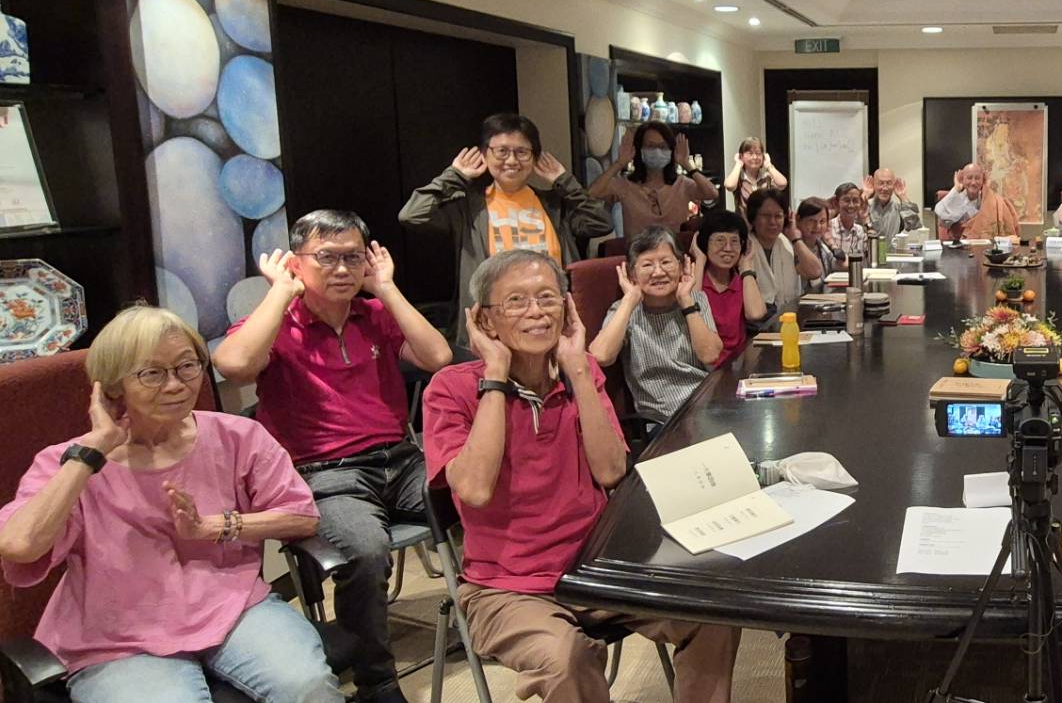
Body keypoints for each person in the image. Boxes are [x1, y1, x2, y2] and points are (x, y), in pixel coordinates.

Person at [424, 249, 739, 703]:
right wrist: (495, 375)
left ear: (567, 307)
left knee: (713, 613)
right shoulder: (451, 388)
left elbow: (611, 471)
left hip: (597, 568)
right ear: (485, 321)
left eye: (547, 297)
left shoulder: (581, 371)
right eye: (516, 301)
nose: (536, 311)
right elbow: (473, 489)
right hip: (507, 588)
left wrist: (576, 367)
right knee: (566, 659)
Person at [0, 306, 341, 703]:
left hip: (232, 607)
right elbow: (19, 546)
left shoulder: (237, 436)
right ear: (112, 387)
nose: (176, 384)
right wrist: (93, 451)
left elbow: (302, 516)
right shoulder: (70, 461)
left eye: (187, 366)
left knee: (308, 687)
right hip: (116, 640)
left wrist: (214, 527)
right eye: (152, 373)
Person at [214, 210, 453, 703]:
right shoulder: (276, 323)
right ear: (295, 263)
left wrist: (386, 288)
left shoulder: (375, 314)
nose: (343, 269)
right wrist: (280, 294)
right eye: (327, 257)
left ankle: (498, 618)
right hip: (324, 475)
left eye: (353, 257)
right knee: (366, 551)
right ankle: (376, 682)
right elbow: (234, 365)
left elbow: (438, 358)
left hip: (400, 460)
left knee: (477, 493)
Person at [400, 112, 613, 342]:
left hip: (549, 325)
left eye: (522, 152)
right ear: (484, 154)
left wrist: (564, 182)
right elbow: (412, 214)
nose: (511, 161)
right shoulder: (468, 208)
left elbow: (601, 222)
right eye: (501, 151)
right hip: (491, 332)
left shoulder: (554, 205)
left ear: (534, 157)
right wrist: (455, 176)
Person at [588, 229, 722, 421]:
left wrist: (686, 301)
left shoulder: (695, 300)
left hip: (707, 407)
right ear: (632, 273)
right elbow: (601, 356)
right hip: (662, 420)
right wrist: (630, 299)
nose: (658, 272)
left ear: (682, 265)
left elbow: (710, 355)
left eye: (666, 262)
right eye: (647, 265)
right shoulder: (624, 310)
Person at [589, 120, 721, 241]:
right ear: (639, 150)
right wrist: (619, 163)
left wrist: (687, 164)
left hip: (672, 253)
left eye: (663, 146)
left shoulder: (682, 184)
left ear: (671, 150)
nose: (657, 151)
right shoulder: (626, 185)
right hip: (638, 254)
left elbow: (712, 193)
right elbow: (592, 193)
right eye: (650, 146)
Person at [687, 210, 768, 368]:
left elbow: (755, 314)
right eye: (720, 241)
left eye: (735, 241)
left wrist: (746, 265)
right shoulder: (694, 280)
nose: (728, 248)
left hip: (739, 365)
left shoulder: (742, 280)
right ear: (704, 243)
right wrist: (700, 260)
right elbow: (692, 310)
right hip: (704, 367)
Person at [743, 188, 822, 328]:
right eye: (766, 216)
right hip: (757, 328)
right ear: (753, 218)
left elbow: (815, 272)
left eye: (778, 216)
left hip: (790, 322)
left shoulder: (787, 244)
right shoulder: (745, 247)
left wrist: (795, 238)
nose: (773, 222)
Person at [934, 163, 1019, 240]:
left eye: (977, 178)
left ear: (983, 180)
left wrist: (986, 189)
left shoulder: (992, 201)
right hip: (960, 246)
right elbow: (943, 219)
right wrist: (956, 188)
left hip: (987, 247)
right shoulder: (956, 198)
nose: (973, 182)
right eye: (969, 178)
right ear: (962, 179)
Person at [721, 137, 786, 213]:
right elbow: (729, 186)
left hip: (763, 219)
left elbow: (782, 184)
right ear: (741, 156)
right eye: (750, 154)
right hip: (743, 220)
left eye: (758, 153)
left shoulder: (767, 177)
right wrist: (738, 164)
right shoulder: (738, 178)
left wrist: (768, 165)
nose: (755, 157)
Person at [797, 197, 845, 283]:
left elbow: (844, 265)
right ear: (798, 220)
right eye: (811, 221)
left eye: (822, 221)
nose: (817, 226)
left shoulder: (821, 246)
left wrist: (833, 246)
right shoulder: (795, 248)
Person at [864, 167, 922, 234]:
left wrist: (903, 196)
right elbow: (854, 222)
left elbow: (914, 225)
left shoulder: (898, 208)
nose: (885, 188)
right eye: (881, 183)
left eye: (889, 183)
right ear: (874, 184)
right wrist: (865, 194)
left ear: (894, 185)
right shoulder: (866, 206)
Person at [829, 182, 872, 257]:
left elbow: (874, 255)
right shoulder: (828, 228)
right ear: (837, 202)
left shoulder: (860, 231)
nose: (851, 205)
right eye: (847, 200)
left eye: (855, 201)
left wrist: (865, 219)